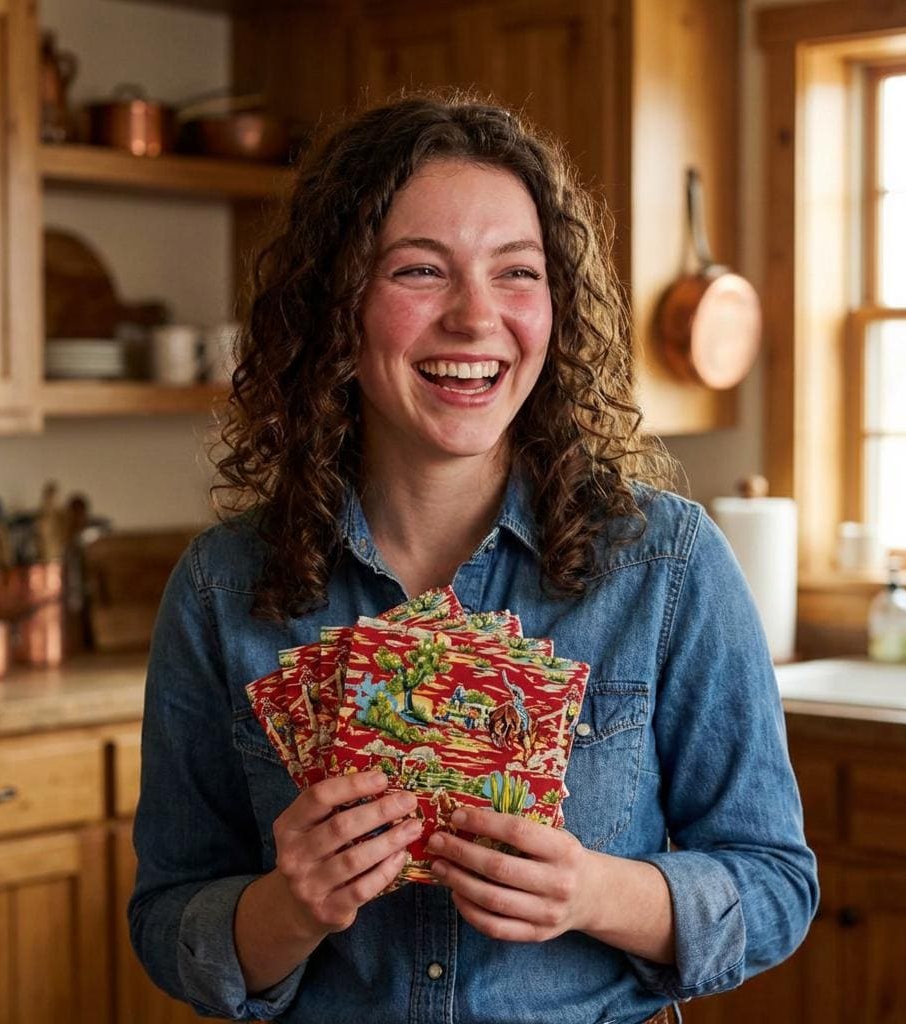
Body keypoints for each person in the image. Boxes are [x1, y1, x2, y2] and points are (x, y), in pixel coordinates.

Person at [129, 93, 818, 1024]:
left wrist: (594, 892)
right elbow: (169, 917)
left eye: (517, 273)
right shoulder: (221, 589)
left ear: (556, 309)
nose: (475, 317)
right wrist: (287, 910)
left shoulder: (669, 565)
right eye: (420, 270)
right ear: (337, 307)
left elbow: (776, 884)